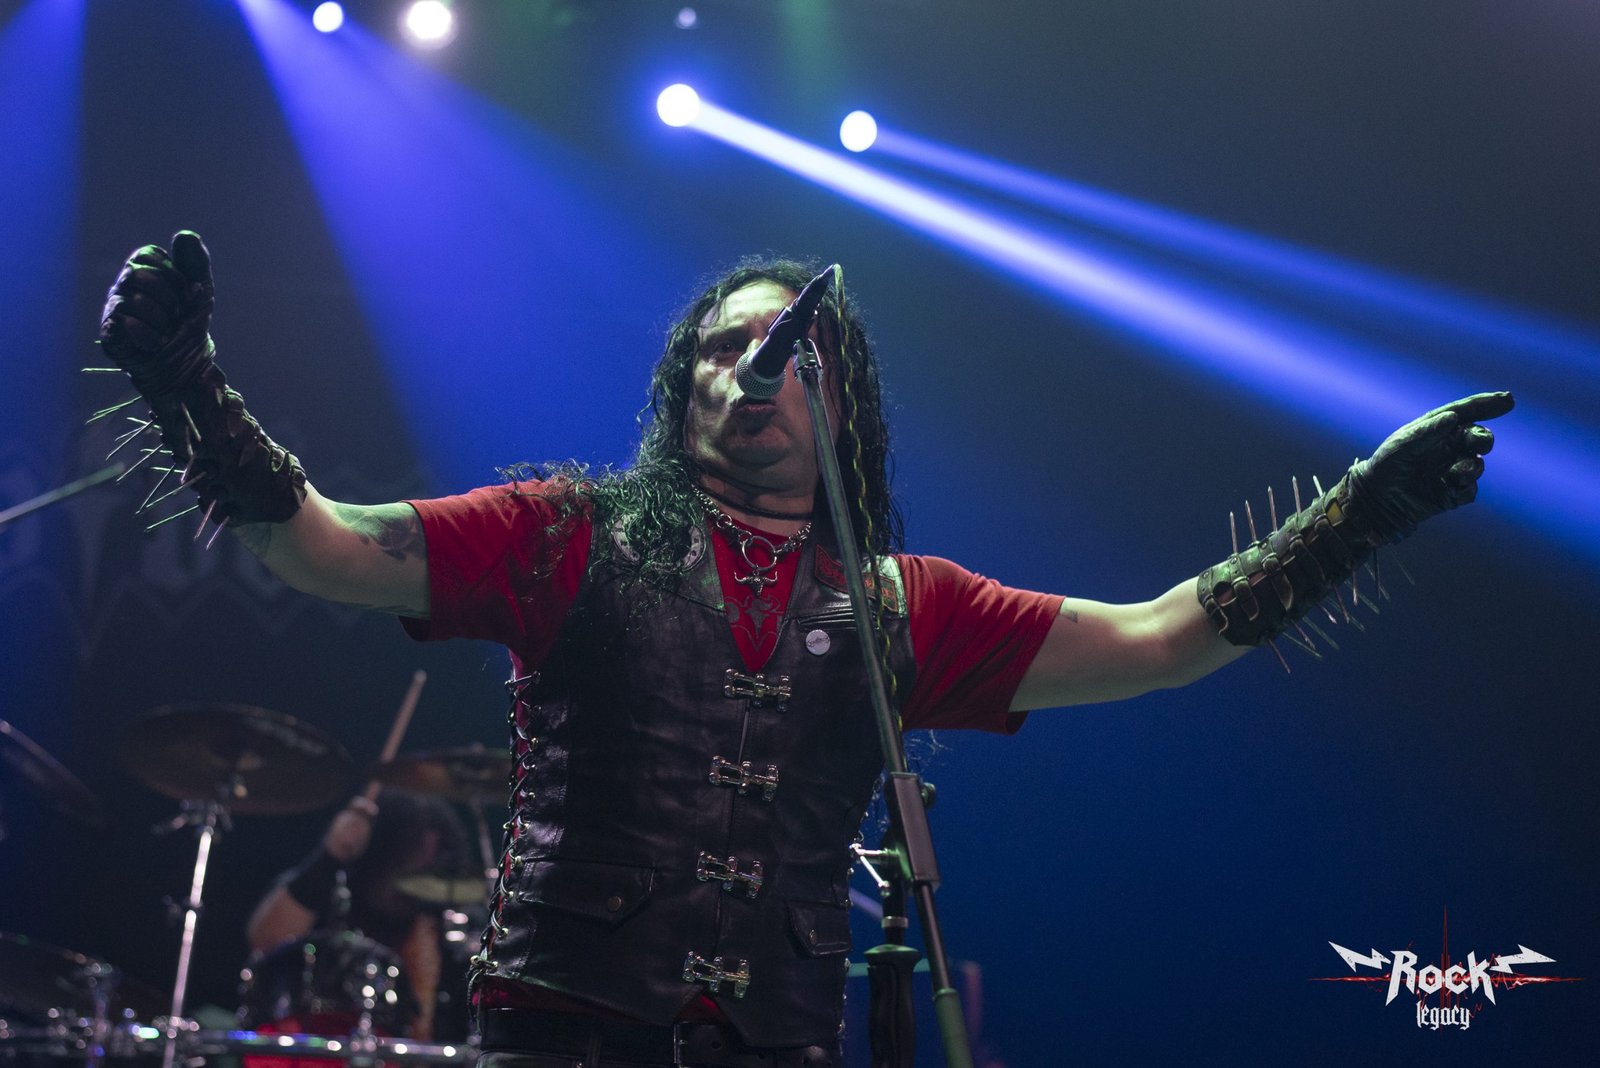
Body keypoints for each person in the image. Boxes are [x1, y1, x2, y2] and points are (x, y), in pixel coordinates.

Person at [97, 232, 1511, 1068]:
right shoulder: (571, 531)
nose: (749, 369)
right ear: (682, 389)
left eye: (784, 348)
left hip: (776, 1041)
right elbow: (333, 547)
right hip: (565, 1033)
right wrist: (185, 383)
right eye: (719, 350)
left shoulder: (903, 606)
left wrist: (1355, 515)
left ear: (843, 403)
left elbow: (1161, 638)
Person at [244, 789, 473, 1043]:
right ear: (380, 850)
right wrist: (330, 854)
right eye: (406, 865)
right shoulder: (330, 891)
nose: (416, 886)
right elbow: (266, 943)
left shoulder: (445, 931)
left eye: (429, 872)